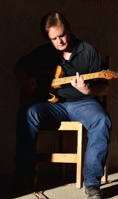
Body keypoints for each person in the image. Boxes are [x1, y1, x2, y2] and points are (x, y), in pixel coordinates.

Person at [12, 11, 110, 199]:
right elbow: (19, 67)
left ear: (69, 30)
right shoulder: (45, 52)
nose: (60, 42)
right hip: (52, 105)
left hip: (83, 103)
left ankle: (92, 184)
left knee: (101, 120)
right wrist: (27, 80)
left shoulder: (88, 51)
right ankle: (24, 177)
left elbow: (104, 88)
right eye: (54, 38)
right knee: (27, 113)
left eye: (62, 35)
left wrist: (88, 90)